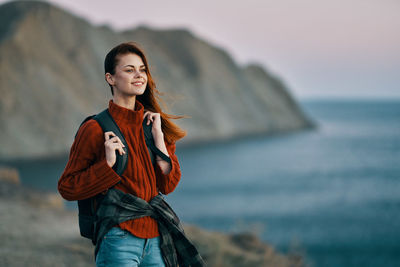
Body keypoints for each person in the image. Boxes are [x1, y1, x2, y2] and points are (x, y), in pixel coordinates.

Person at [58, 42, 188, 266]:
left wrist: (159, 140)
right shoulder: (95, 128)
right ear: (110, 78)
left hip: (156, 239)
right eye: (129, 70)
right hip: (118, 238)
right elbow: (68, 187)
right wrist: (106, 166)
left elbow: (168, 185)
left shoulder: (154, 125)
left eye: (142, 69)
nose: (139, 75)